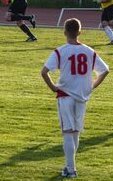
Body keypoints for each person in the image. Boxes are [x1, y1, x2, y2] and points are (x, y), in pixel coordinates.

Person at [41, 18, 109, 178]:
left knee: (67, 132)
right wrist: (92, 85)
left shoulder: (60, 51)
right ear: (80, 32)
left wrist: (53, 87)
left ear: (65, 32)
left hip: (65, 95)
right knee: (75, 133)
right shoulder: (89, 51)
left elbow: (44, 72)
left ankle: (71, 169)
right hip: (82, 96)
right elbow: (105, 70)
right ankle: (68, 166)